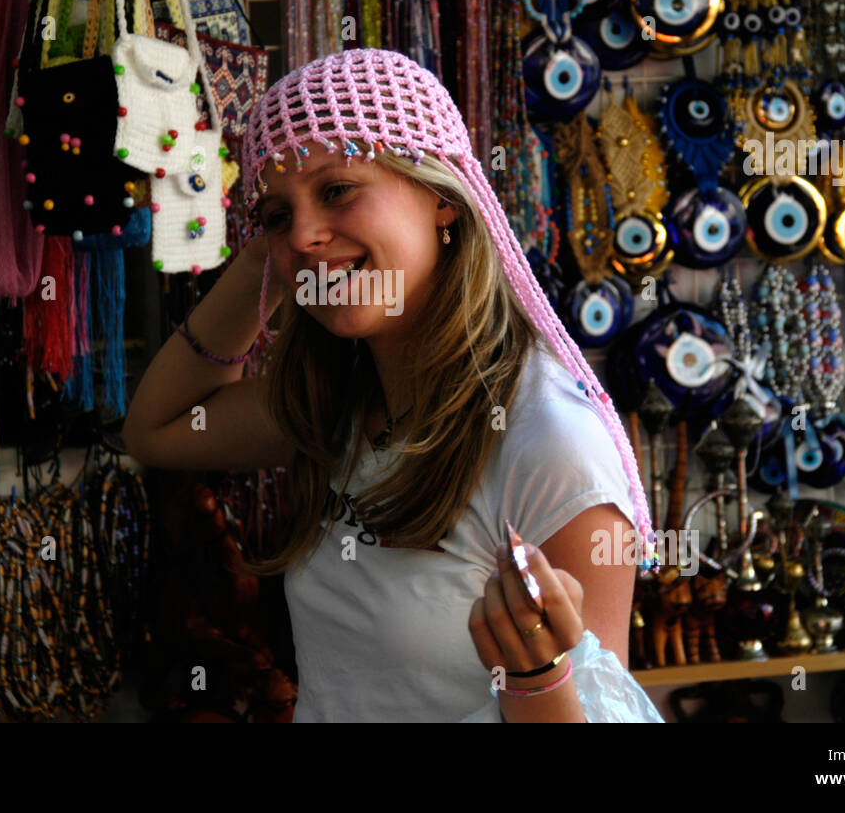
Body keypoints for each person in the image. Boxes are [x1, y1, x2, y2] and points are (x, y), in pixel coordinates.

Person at [125, 48, 663, 722]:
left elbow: (602, 709)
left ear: (442, 197)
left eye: (337, 189)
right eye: (276, 212)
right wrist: (270, 253)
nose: (306, 232)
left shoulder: (549, 442)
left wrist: (539, 682)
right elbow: (158, 429)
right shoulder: (343, 402)